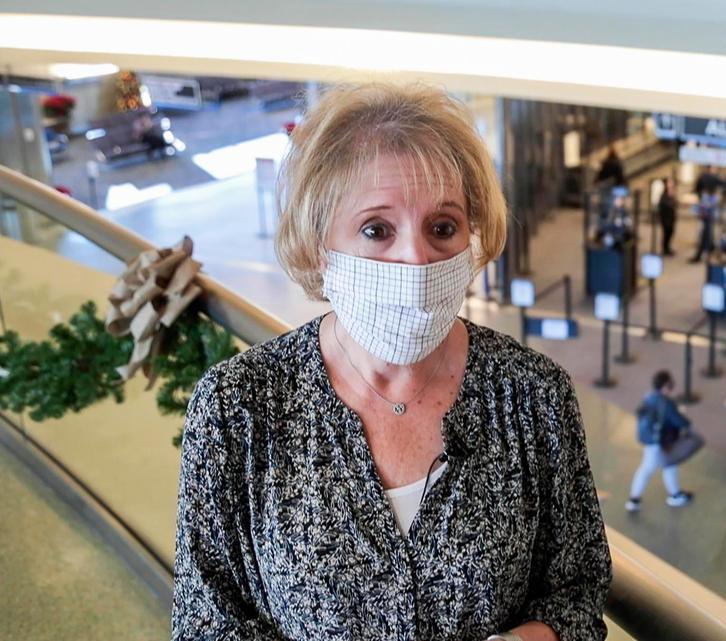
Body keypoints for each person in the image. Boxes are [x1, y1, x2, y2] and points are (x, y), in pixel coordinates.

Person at [172, 83, 611, 641]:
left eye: (443, 228)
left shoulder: (533, 394)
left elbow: (579, 593)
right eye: (377, 230)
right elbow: (205, 620)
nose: (416, 258)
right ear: (317, 243)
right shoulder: (239, 407)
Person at [625, 370, 694, 512]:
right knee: (649, 468)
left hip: (650, 439)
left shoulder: (649, 397)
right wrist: (686, 420)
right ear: (665, 386)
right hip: (658, 442)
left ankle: (675, 494)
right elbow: (680, 421)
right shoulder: (666, 403)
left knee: (669, 465)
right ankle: (634, 499)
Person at [689, 166, 721, 263]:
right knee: (705, 233)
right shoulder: (713, 179)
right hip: (707, 214)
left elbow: (696, 188)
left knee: (706, 233)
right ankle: (706, 252)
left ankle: (706, 252)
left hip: (706, 214)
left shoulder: (704, 178)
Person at [657, 176, 678, 256]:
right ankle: (665, 249)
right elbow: (663, 204)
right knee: (666, 233)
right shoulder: (664, 193)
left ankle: (668, 247)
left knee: (671, 232)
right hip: (665, 217)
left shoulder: (672, 192)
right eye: (669, 182)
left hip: (671, 216)